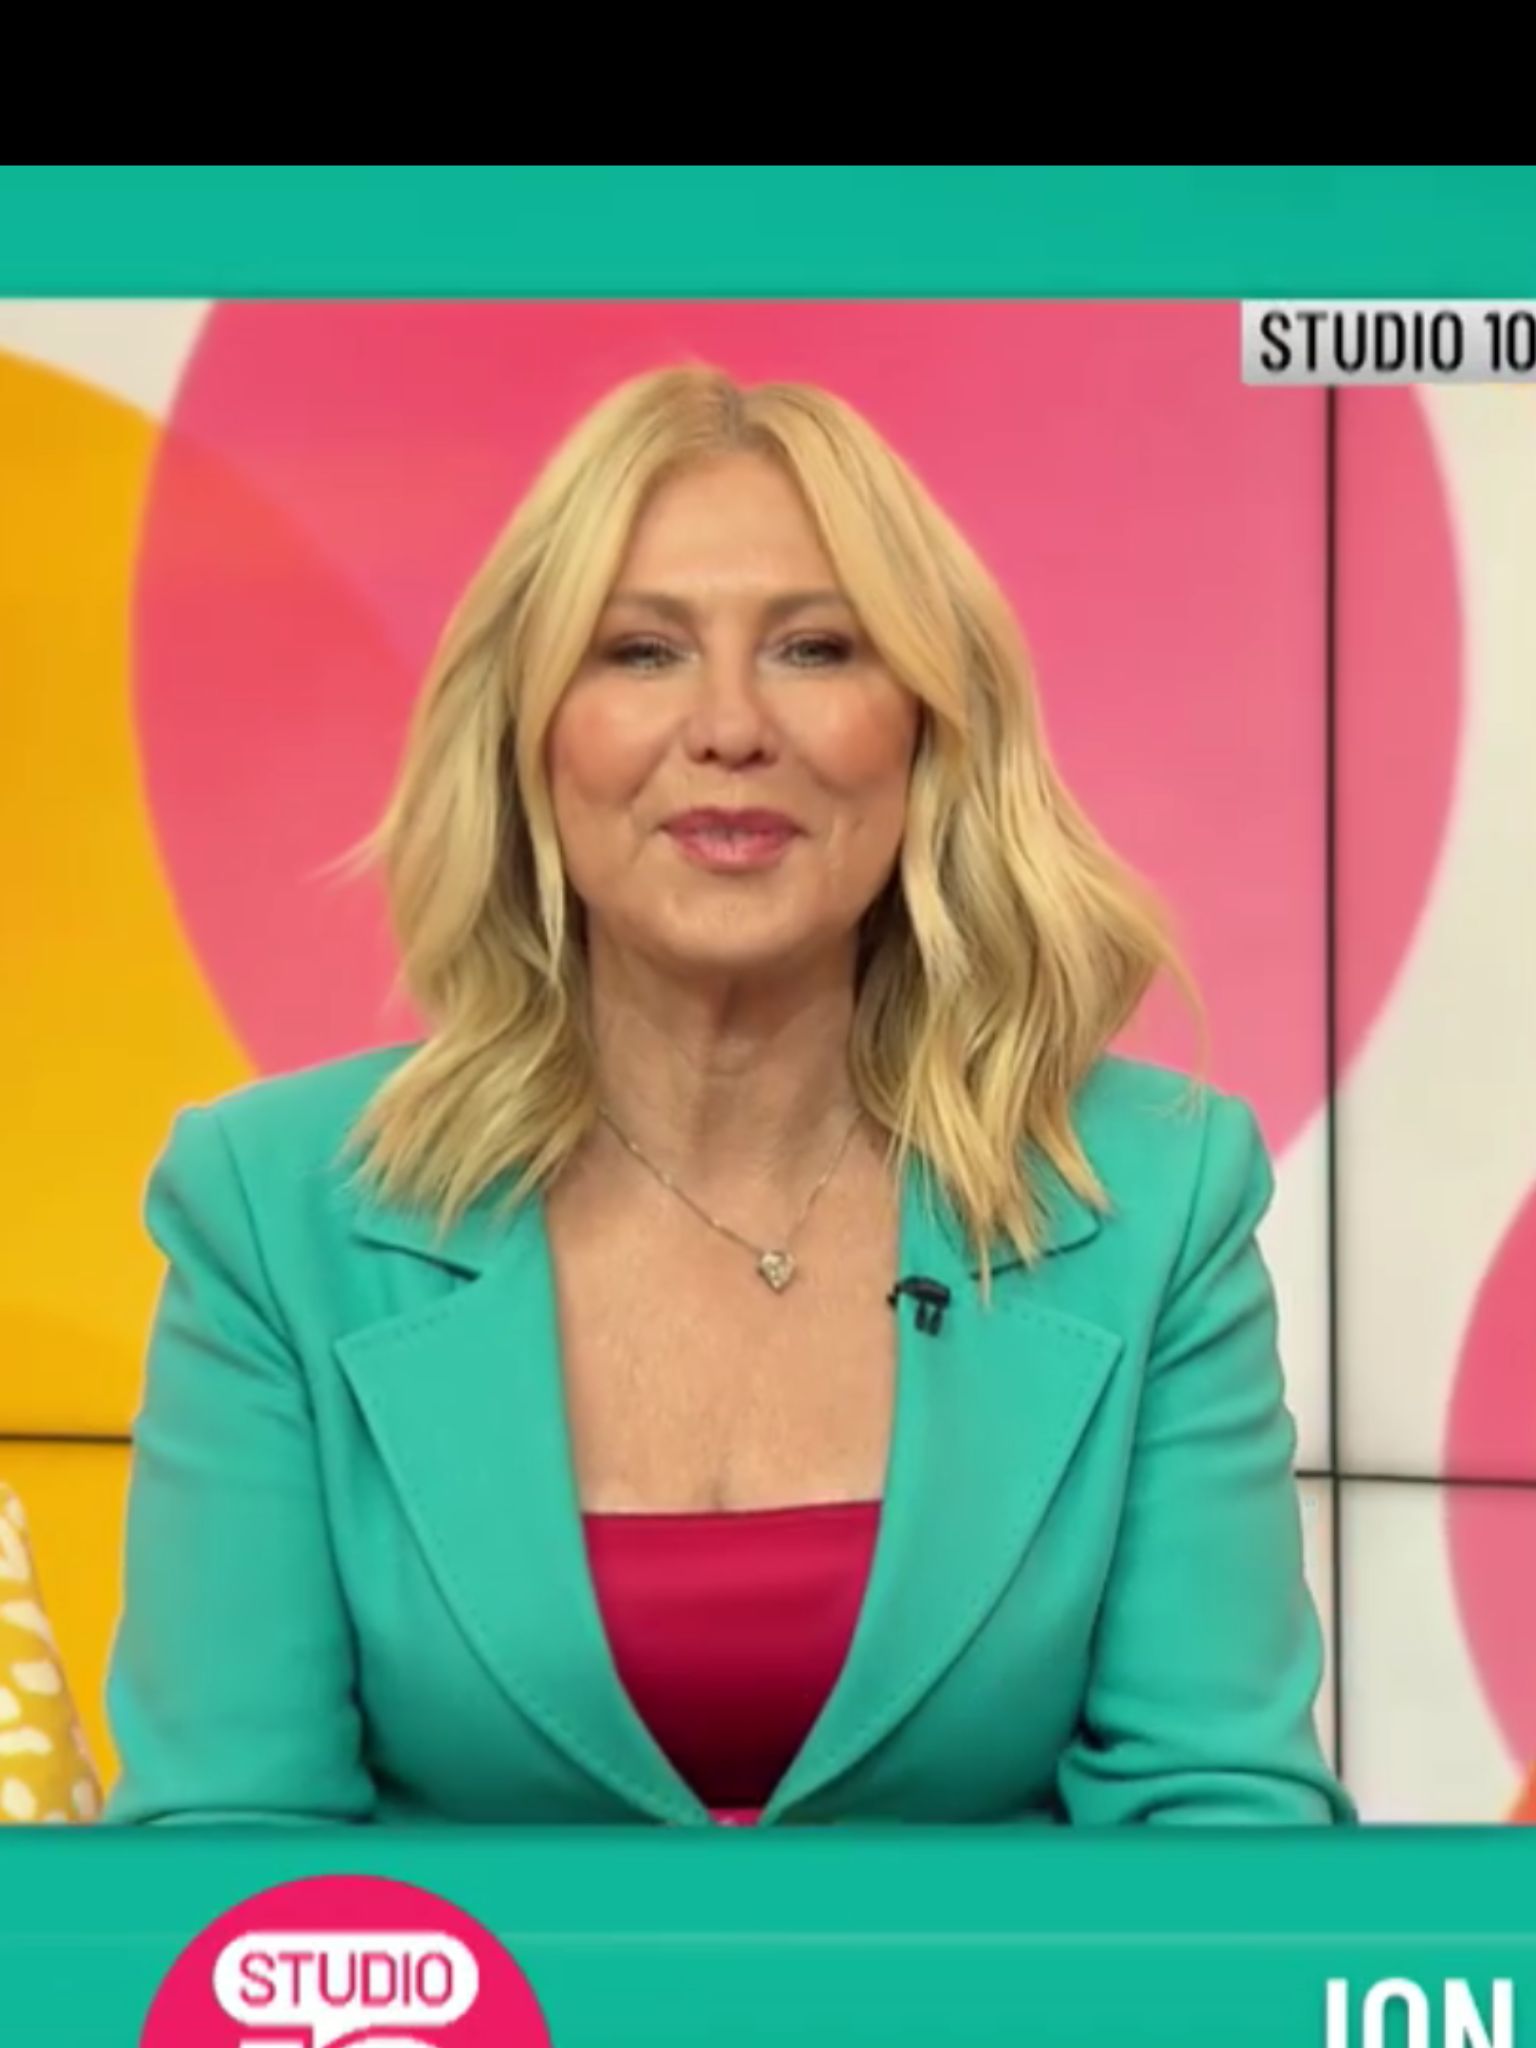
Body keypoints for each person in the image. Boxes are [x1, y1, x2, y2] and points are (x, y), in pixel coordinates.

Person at [104, 366, 1351, 1828]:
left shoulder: (1153, 1200)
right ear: (529, 738)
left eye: (815, 648)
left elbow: (1220, 1834)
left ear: (927, 729)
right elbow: (231, 1854)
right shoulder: (274, 1212)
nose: (731, 727)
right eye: (641, 652)